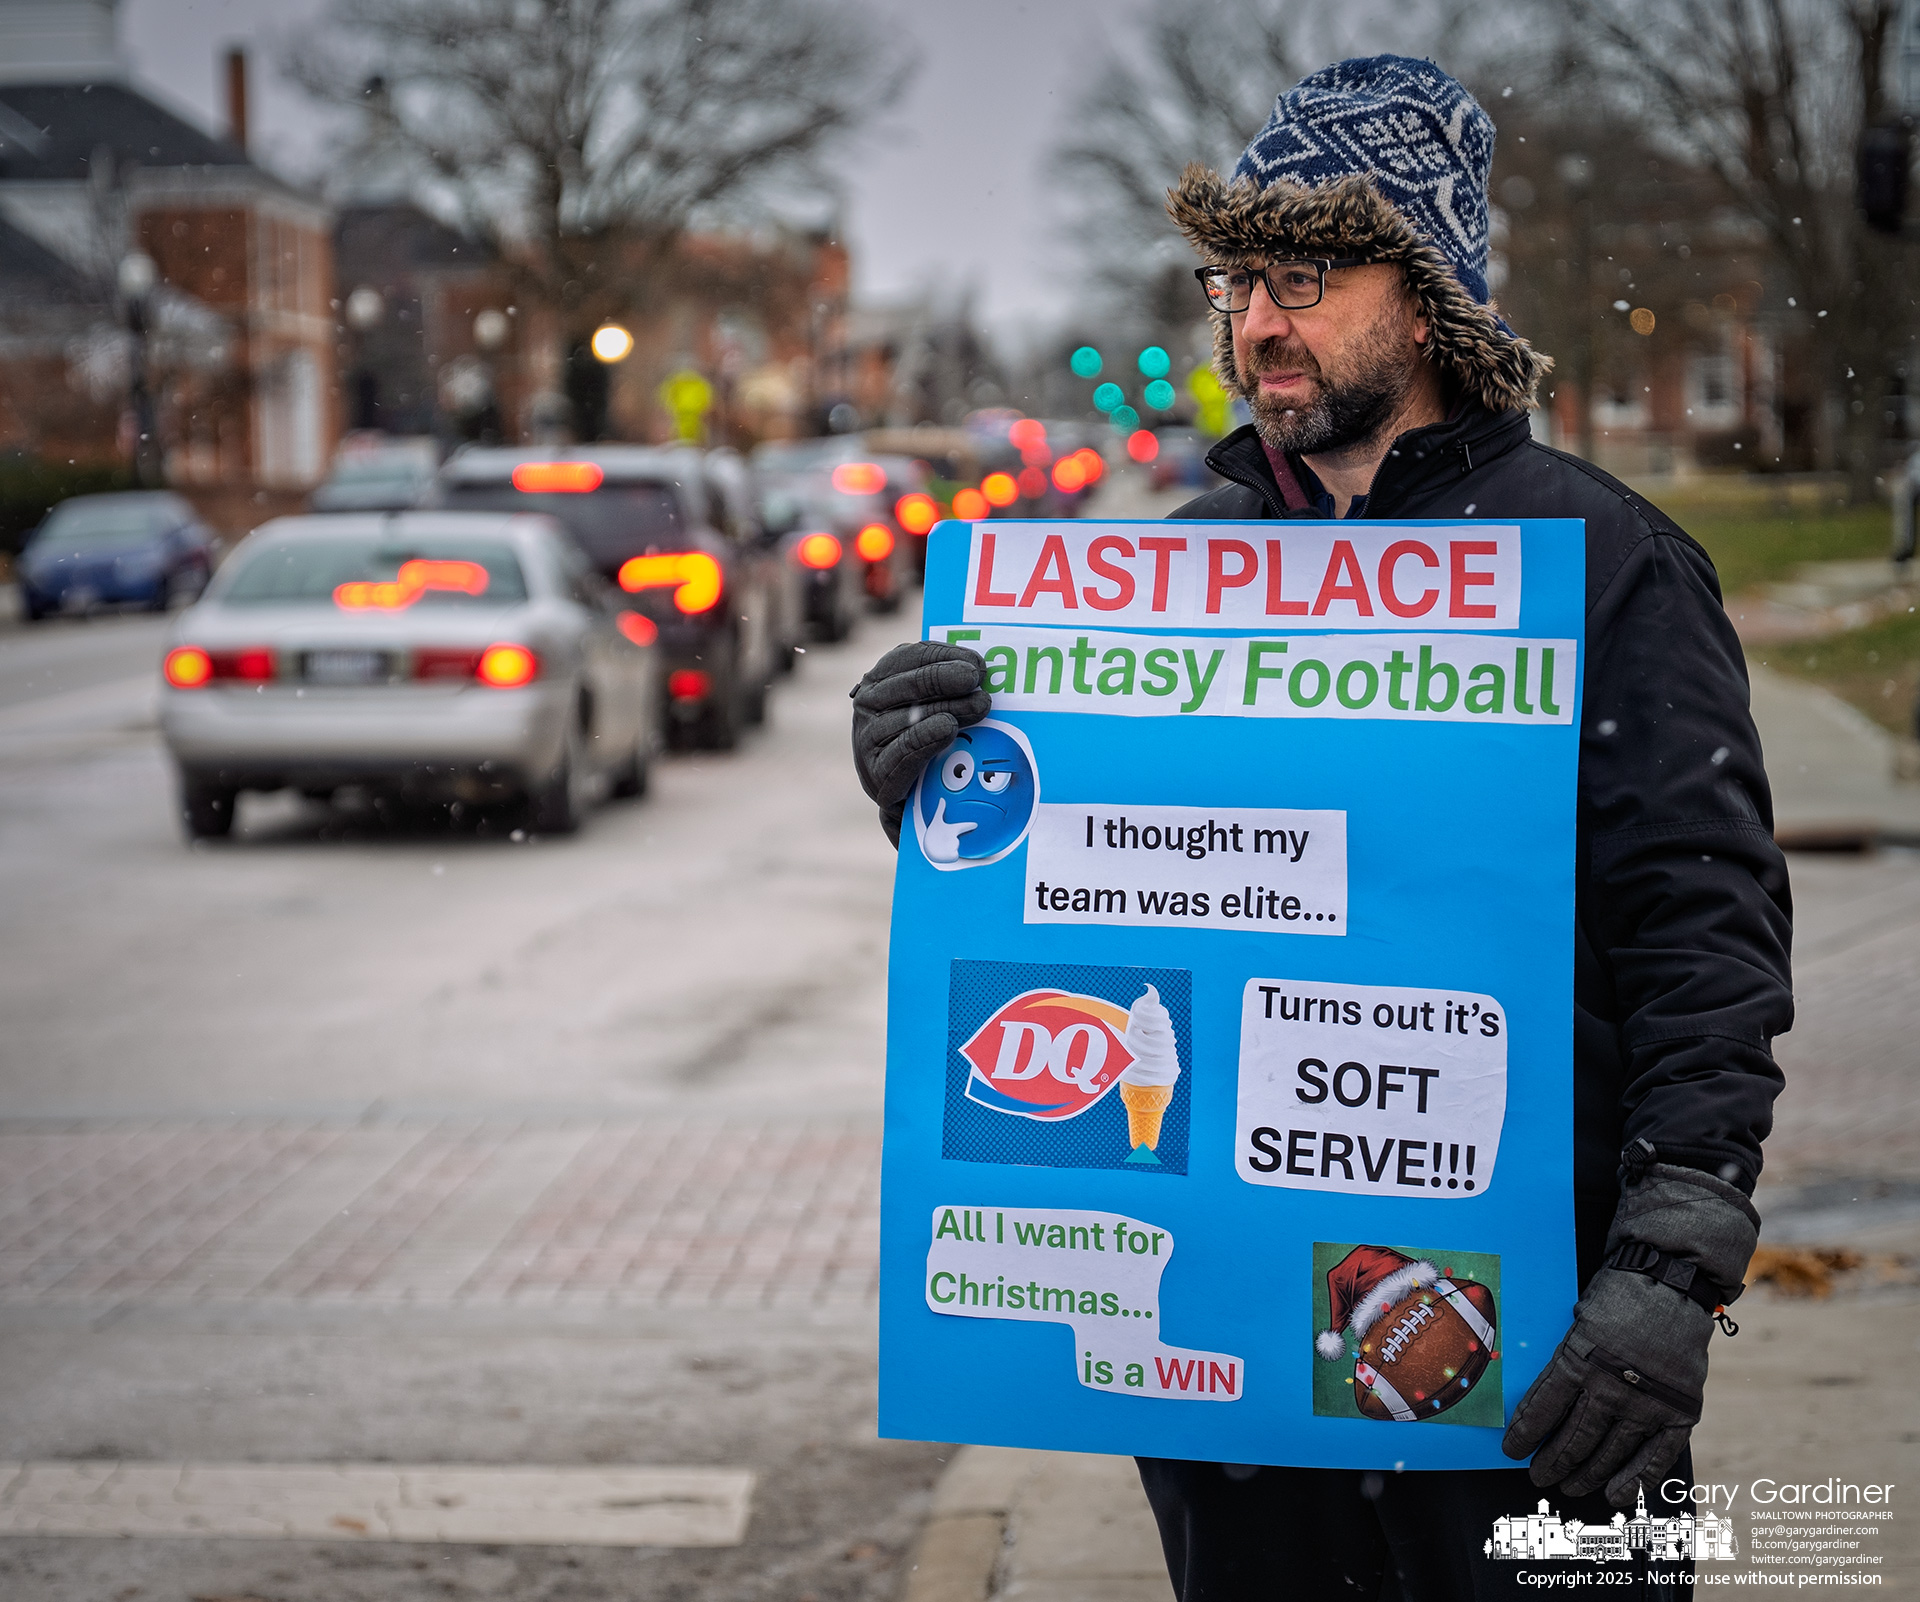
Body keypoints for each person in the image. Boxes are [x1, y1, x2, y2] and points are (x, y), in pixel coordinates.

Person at [852, 55, 1792, 1600]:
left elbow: (1708, 943)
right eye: (1234, 278)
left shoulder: (1603, 565)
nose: (1256, 321)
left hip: (1538, 1365)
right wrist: (936, 791)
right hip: (1238, 1388)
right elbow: (1086, 908)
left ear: (1428, 302)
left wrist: (1668, 1273)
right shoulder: (1176, 577)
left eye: (1303, 275)